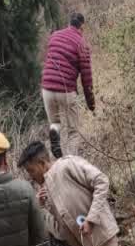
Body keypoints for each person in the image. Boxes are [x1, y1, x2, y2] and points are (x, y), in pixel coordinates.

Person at [40, 12, 95, 157]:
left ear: (69, 23)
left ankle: (54, 137)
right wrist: (91, 104)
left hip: (46, 88)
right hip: (66, 90)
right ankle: (72, 161)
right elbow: (86, 78)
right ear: (82, 26)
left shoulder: (54, 36)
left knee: (55, 122)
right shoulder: (82, 44)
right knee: (73, 131)